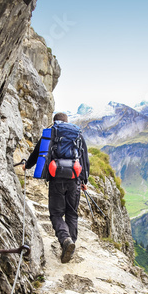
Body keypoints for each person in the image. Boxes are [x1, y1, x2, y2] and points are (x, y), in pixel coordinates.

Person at [22, 112, 90, 263]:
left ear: (54, 121)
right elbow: (84, 158)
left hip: (56, 178)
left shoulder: (51, 132)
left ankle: (65, 240)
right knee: (71, 213)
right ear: (67, 122)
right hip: (74, 179)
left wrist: (27, 165)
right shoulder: (76, 134)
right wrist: (84, 180)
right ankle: (70, 245)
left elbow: (38, 152)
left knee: (56, 214)